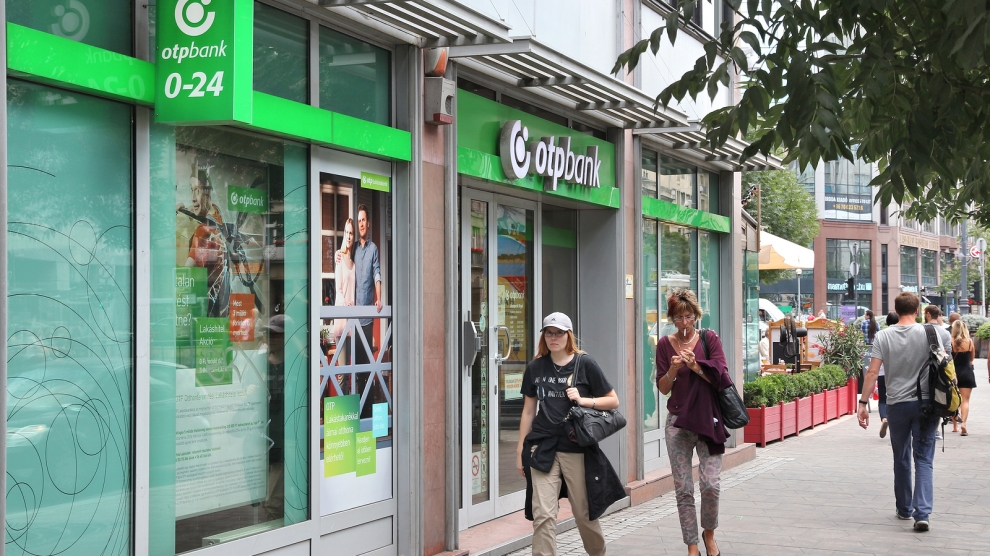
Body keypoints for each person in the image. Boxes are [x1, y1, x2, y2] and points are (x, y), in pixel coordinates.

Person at [516, 312, 625, 556]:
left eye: (559, 333)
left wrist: (583, 399)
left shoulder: (584, 363)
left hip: (576, 448)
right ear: (543, 336)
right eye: (549, 332)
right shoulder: (535, 367)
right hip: (543, 446)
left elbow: (613, 401)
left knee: (584, 514)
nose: (554, 337)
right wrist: (520, 450)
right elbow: (528, 412)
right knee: (543, 514)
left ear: (569, 335)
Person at [859, 292, 951, 532]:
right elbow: (947, 367)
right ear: (918, 310)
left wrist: (863, 403)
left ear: (896, 310)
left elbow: (872, 372)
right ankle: (923, 513)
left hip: (897, 404)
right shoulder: (933, 333)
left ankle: (903, 508)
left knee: (900, 457)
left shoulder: (883, 335)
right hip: (927, 405)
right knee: (923, 459)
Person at [656, 289, 732, 556]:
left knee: (711, 484)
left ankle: (709, 534)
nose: (685, 322)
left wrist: (698, 366)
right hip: (677, 422)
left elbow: (721, 378)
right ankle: (692, 546)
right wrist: (673, 370)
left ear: (697, 316)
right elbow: (663, 388)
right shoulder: (665, 344)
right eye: (679, 318)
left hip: (707, 420)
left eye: (689, 316)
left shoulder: (709, 340)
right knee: (683, 489)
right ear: (672, 319)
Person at [179, 168, 231, 317]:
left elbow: (184, 276)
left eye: (198, 191)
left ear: (207, 193)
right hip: (223, 309)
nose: (193, 198)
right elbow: (205, 209)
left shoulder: (203, 232)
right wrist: (186, 211)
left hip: (207, 311)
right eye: (191, 191)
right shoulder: (218, 217)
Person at [339, 204, 382, 364]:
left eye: (363, 220)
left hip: (367, 318)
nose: (361, 224)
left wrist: (379, 298)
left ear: (368, 223)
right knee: (355, 364)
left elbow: (377, 273)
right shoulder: (354, 247)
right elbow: (344, 259)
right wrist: (338, 254)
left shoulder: (373, 249)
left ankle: (368, 390)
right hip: (353, 317)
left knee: (366, 365)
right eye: (359, 221)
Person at [333, 218, 356, 362]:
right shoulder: (339, 257)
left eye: (351, 233)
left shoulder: (354, 262)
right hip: (342, 320)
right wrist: (345, 307)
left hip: (352, 322)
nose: (348, 236)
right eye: (346, 232)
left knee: (350, 370)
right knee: (342, 373)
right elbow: (339, 289)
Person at [950, 320, 976, 436]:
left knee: (954, 401)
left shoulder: (951, 342)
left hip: (954, 373)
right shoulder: (970, 342)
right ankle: (964, 424)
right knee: (965, 401)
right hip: (967, 372)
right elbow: (971, 359)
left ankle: (955, 426)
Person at [877, 312, 899, 438]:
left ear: (886, 322)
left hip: (882, 372)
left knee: (883, 399)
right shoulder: (903, 335)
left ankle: (884, 418)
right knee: (897, 398)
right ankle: (897, 423)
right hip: (897, 373)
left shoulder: (882, 335)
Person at [860, 310, 879, 394]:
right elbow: (879, 334)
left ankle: (868, 389)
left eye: (865, 314)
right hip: (874, 347)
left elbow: (861, 334)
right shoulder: (876, 323)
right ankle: (875, 386)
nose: (864, 315)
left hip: (866, 346)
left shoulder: (864, 323)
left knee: (866, 366)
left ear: (868, 315)